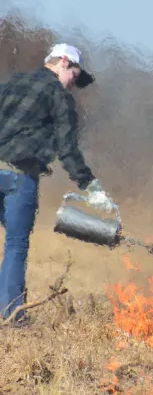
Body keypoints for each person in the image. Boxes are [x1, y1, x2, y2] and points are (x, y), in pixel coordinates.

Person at [0, 43, 115, 324]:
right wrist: (91, 186)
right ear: (64, 62)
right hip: (18, 175)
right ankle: (10, 316)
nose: (73, 85)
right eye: (75, 76)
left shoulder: (12, 83)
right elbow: (67, 149)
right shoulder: (57, 95)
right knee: (15, 244)